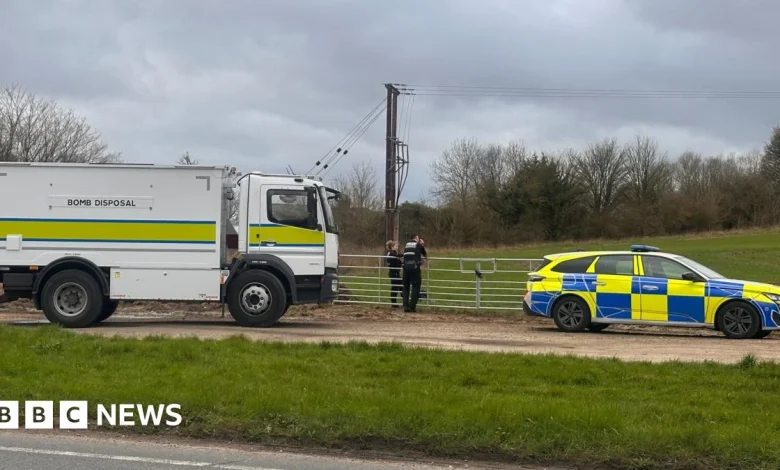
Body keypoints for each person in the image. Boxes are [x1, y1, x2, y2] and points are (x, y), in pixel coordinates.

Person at [401, 233, 427, 312]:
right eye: (418, 238)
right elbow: (425, 254)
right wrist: (422, 244)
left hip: (405, 268)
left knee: (406, 287)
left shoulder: (406, 245)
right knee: (416, 287)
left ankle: (405, 306)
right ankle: (412, 306)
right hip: (415, 268)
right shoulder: (418, 245)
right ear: (416, 238)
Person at [385, 240, 403, 307]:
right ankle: (394, 303)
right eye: (396, 246)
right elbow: (397, 257)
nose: (397, 247)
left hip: (395, 273)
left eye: (397, 246)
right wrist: (404, 255)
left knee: (399, 287)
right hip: (394, 273)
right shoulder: (391, 254)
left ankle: (398, 302)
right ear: (392, 247)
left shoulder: (392, 253)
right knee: (396, 287)